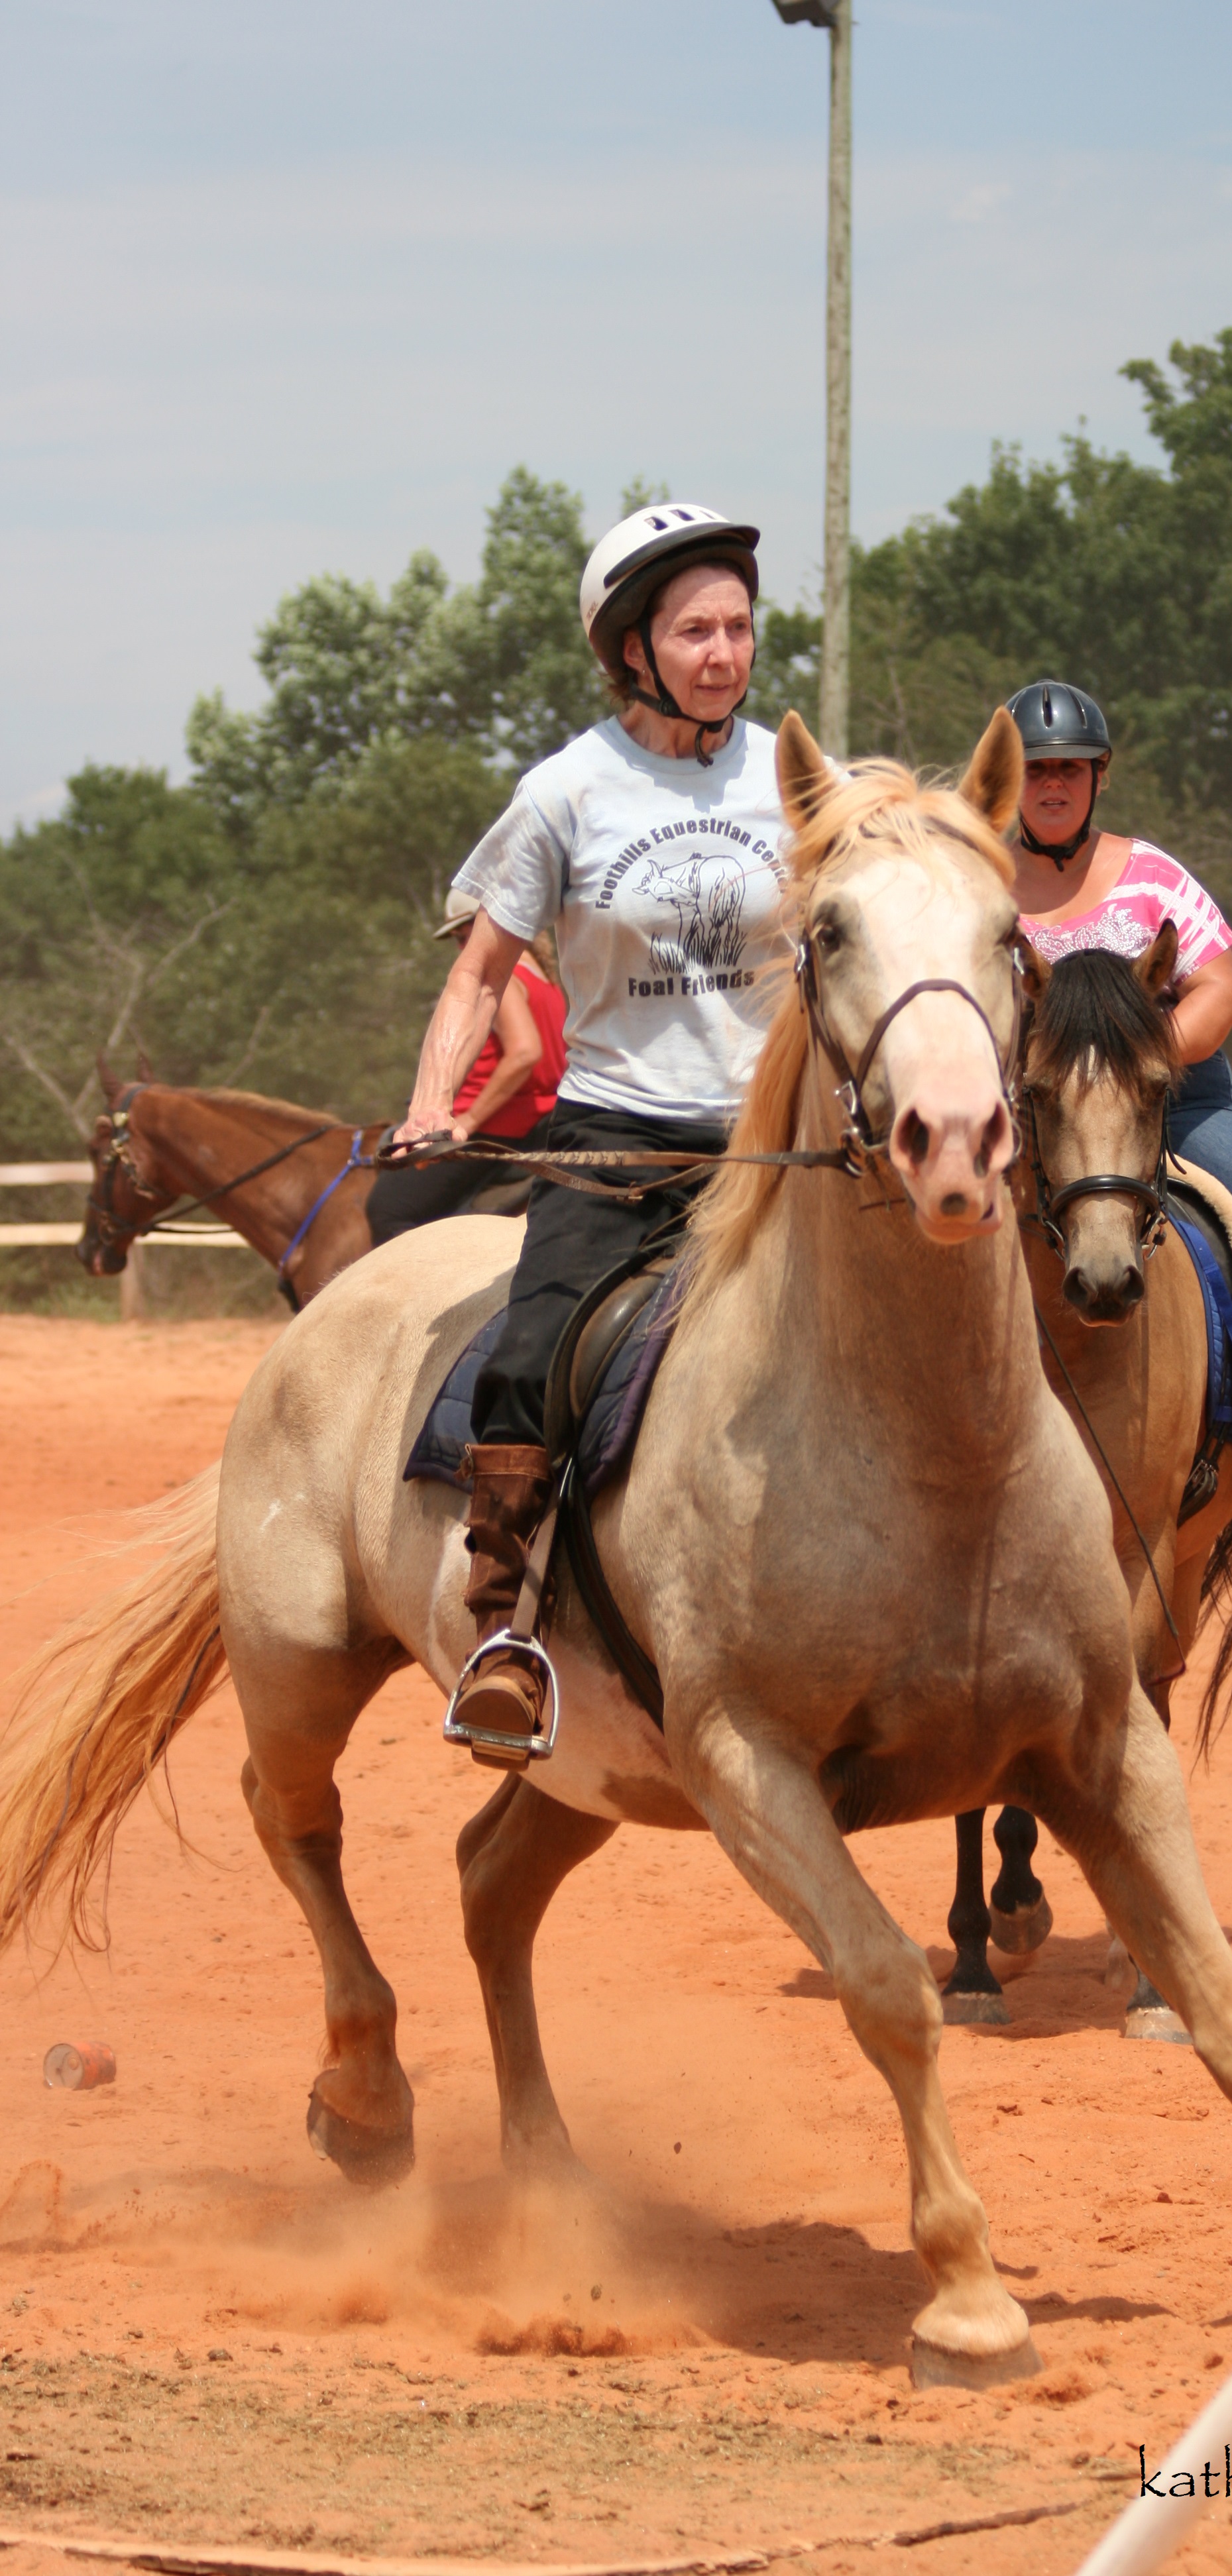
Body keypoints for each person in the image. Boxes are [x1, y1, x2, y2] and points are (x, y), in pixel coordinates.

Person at [386, 502, 789, 1751]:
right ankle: (505, 1627)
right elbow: (479, 972)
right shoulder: (565, 791)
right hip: (616, 1135)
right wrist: (428, 1108)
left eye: (737, 626)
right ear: (632, 646)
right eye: (693, 630)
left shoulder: (790, 771)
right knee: (535, 1344)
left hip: (777, 1143)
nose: (723, 652)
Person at [1005, 677, 1232, 1540]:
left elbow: (1221, 991)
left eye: (1071, 769)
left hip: (1172, 1102)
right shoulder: (977, 878)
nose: (1053, 785)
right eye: (1037, 770)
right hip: (1025, 1112)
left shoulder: (1152, 875)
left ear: (1099, 778)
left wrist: (1133, 1064)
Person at [364, 890, 567, 1244]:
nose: (461, 949)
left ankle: (425, 1299)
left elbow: (524, 1053)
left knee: (388, 1209)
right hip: (539, 1121)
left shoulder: (505, 980)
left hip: (496, 1125)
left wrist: (470, 1121)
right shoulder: (545, 978)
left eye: (465, 935)